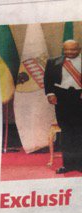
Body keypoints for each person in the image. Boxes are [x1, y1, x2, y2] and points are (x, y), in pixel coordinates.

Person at [44, 39, 82, 174]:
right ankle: (68, 165)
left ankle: (80, 165)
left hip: (80, 97)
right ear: (63, 49)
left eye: (73, 49)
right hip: (62, 99)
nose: (70, 52)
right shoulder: (53, 62)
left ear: (79, 49)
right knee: (66, 132)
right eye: (67, 49)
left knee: (80, 131)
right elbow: (48, 79)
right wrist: (50, 94)